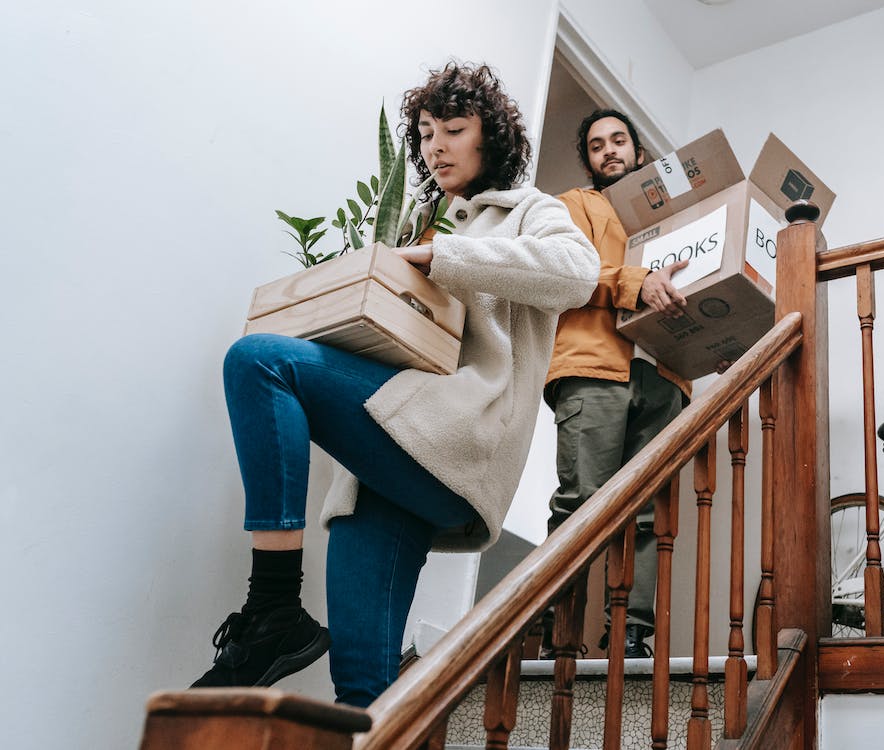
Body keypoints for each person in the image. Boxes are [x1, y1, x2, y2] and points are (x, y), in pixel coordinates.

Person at [189, 62, 599, 707]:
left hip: (455, 440)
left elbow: (578, 274)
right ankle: (284, 628)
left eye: (454, 129)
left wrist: (445, 257)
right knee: (362, 688)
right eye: (426, 132)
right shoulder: (417, 226)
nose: (436, 145)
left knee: (258, 361)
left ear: (489, 137)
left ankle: (270, 606)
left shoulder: (528, 211)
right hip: (384, 460)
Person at [542, 109, 691, 659]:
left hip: (664, 372)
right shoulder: (571, 207)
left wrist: (721, 335)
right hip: (592, 366)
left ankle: (632, 634)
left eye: (619, 140)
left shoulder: (676, 214)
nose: (609, 150)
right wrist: (637, 283)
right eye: (597, 144)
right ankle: (558, 633)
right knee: (581, 502)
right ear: (589, 159)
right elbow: (567, 271)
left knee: (648, 513)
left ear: (639, 152)